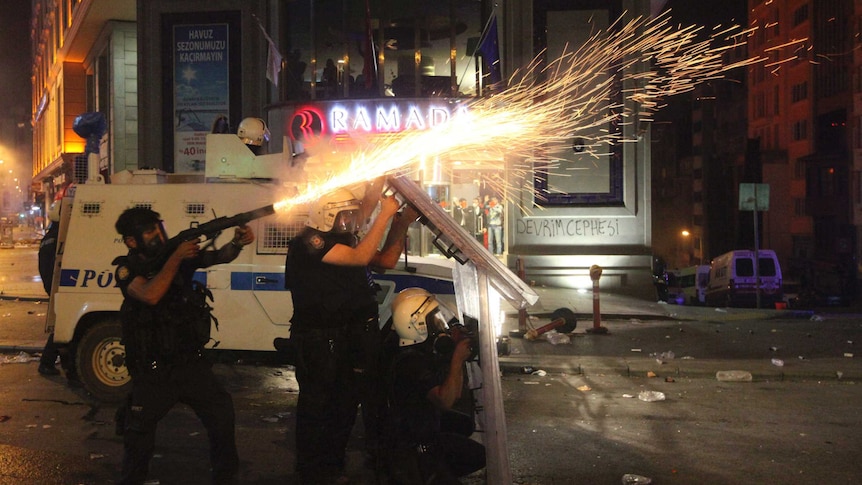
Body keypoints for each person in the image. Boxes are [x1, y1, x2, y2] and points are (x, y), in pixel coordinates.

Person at [284, 179, 418, 484]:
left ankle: (331, 467)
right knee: (317, 408)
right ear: (326, 215)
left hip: (347, 338)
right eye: (343, 216)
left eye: (350, 215)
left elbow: (385, 260)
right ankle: (311, 472)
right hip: (319, 341)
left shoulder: (341, 240)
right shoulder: (310, 241)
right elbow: (359, 257)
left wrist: (401, 223)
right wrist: (384, 215)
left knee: (345, 405)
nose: (349, 221)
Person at [112, 207, 254, 485]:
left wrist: (237, 242)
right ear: (131, 241)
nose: (158, 234)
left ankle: (225, 476)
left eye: (159, 227)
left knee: (222, 415)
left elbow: (219, 256)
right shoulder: (127, 269)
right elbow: (151, 294)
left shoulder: (174, 256)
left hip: (189, 363)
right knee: (138, 437)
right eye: (149, 231)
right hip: (153, 371)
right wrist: (176, 258)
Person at [383, 288, 486, 484]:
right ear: (417, 323)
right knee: (477, 454)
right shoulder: (410, 362)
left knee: (463, 424)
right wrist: (456, 360)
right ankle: (429, 473)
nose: (440, 325)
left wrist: (454, 355)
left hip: (422, 425)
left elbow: (455, 394)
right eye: (434, 320)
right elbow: (446, 400)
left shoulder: (416, 349)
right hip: (412, 444)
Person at [37, 202, 62, 376]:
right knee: (62, 326)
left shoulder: (49, 237)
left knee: (62, 324)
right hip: (56, 285)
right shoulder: (59, 238)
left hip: (51, 284)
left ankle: (52, 363)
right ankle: (47, 362)